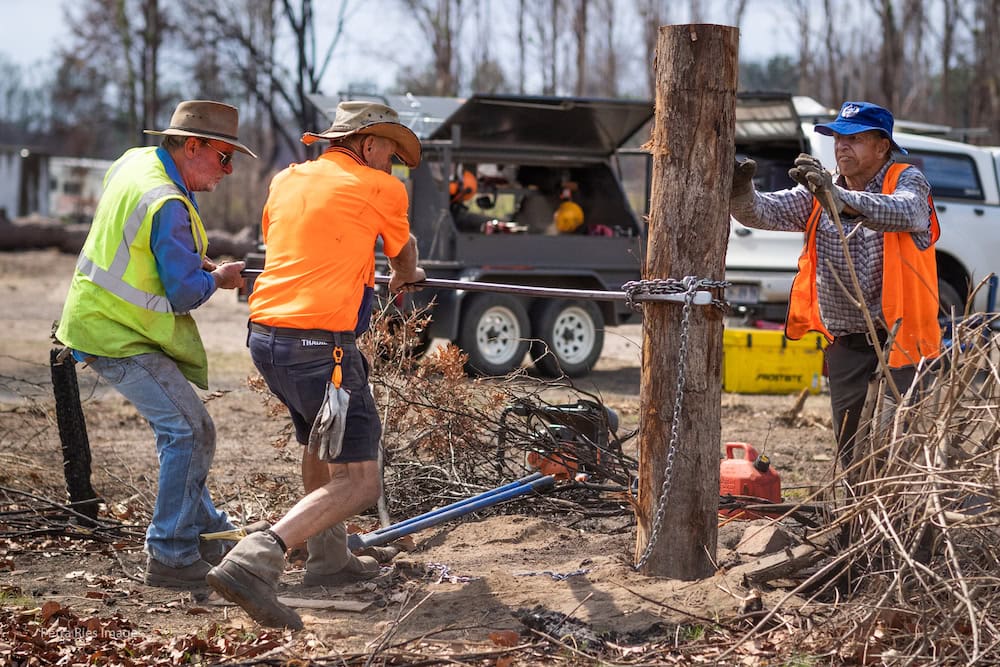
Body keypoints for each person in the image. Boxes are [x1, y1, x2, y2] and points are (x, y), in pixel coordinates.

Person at [206, 101, 426, 629]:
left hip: (267, 340)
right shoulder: (380, 188)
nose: (394, 167)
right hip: (318, 347)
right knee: (360, 481)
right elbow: (403, 251)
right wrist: (406, 276)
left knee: (318, 443)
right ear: (369, 144)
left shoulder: (288, 179)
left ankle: (328, 561)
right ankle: (257, 557)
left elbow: (306, 243)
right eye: (392, 155)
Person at [55, 100, 256, 588]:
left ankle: (208, 533)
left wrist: (194, 260)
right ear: (193, 145)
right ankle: (169, 554)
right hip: (116, 333)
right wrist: (221, 279)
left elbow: (139, 243)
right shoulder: (167, 202)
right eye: (224, 157)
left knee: (186, 431)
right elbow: (184, 292)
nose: (228, 170)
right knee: (190, 431)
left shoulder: (134, 161)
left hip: (100, 320)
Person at [730, 101, 941, 468]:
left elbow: (906, 211)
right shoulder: (821, 188)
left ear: (882, 146)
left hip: (903, 340)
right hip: (847, 341)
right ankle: (855, 523)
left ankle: (901, 523)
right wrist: (739, 191)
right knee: (851, 448)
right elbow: (763, 211)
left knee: (895, 449)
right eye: (838, 137)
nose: (842, 146)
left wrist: (839, 200)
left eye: (855, 138)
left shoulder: (906, 180)